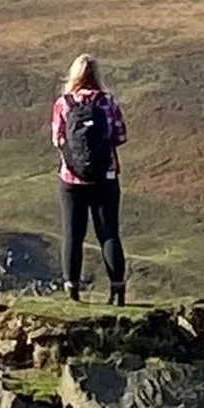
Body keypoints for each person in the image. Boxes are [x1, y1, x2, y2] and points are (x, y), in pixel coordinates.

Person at [50, 53, 129, 305]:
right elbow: (120, 136)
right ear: (97, 75)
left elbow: (57, 138)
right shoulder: (108, 102)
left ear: (73, 76)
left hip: (71, 179)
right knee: (109, 234)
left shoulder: (63, 104)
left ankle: (72, 291)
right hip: (106, 177)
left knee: (73, 235)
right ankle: (117, 291)